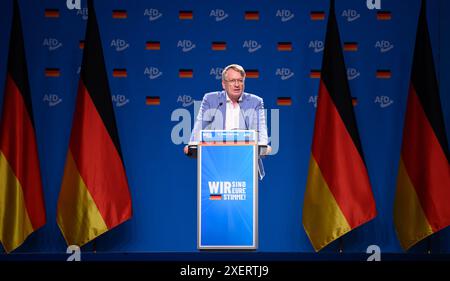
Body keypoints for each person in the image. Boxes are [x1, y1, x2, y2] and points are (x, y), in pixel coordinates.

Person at [184, 64, 271, 178]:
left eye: (240, 81)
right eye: (232, 81)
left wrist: (263, 144)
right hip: (216, 163)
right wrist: (192, 143)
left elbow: (261, 130)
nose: (236, 84)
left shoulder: (255, 102)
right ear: (223, 84)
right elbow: (200, 124)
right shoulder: (211, 99)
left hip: (245, 164)